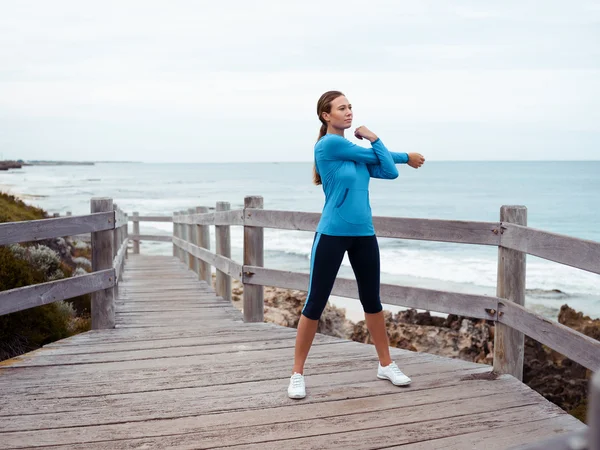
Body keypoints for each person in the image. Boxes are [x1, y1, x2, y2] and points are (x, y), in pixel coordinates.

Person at [288, 90, 426, 399]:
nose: (349, 112)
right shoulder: (329, 145)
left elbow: (388, 172)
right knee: (315, 303)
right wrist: (383, 143)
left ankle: (386, 364)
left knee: (372, 301)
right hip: (332, 234)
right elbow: (385, 160)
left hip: (364, 234)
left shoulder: (354, 153)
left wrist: (378, 145)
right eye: (341, 108)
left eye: (350, 107)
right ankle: (297, 373)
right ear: (326, 116)